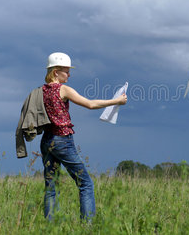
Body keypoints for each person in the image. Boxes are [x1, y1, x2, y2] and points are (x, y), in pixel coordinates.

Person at [40, 52, 127, 221]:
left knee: (51, 187)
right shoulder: (63, 89)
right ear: (56, 72)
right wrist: (116, 101)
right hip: (62, 140)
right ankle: (87, 227)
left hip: (46, 140)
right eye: (66, 71)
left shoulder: (42, 91)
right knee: (86, 184)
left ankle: (49, 228)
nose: (69, 74)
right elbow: (90, 104)